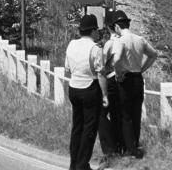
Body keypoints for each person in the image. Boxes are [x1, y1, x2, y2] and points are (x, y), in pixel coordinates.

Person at [108, 9, 158, 159]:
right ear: (127, 24)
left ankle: (129, 150)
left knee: (126, 116)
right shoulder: (140, 39)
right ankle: (135, 145)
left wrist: (118, 73)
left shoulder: (120, 41)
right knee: (136, 114)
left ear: (117, 27)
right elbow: (153, 54)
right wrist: (142, 68)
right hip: (138, 79)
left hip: (126, 79)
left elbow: (116, 60)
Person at [65, 14, 108, 170]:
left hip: (74, 88)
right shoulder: (95, 48)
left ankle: (73, 163)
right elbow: (100, 73)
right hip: (90, 88)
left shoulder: (71, 44)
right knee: (89, 129)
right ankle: (82, 165)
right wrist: (104, 95)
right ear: (93, 31)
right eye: (97, 30)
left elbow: (67, 68)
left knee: (77, 127)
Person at [98, 10, 124, 160]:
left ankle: (109, 149)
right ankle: (122, 146)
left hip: (111, 80)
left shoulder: (110, 44)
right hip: (125, 79)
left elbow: (101, 65)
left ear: (109, 27)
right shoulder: (128, 40)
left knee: (101, 114)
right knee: (119, 114)